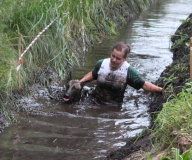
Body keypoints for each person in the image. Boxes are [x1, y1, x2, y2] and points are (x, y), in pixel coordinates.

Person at [79, 42, 163, 103]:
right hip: (95, 101)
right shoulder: (101, 64)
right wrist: (80, 82)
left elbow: (144, 84)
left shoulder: (129, 71)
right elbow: (93, 74)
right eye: (113, 56)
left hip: (114, 106)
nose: (114, 60)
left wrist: (161, 90)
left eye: (118, 58)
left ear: (124, 59)